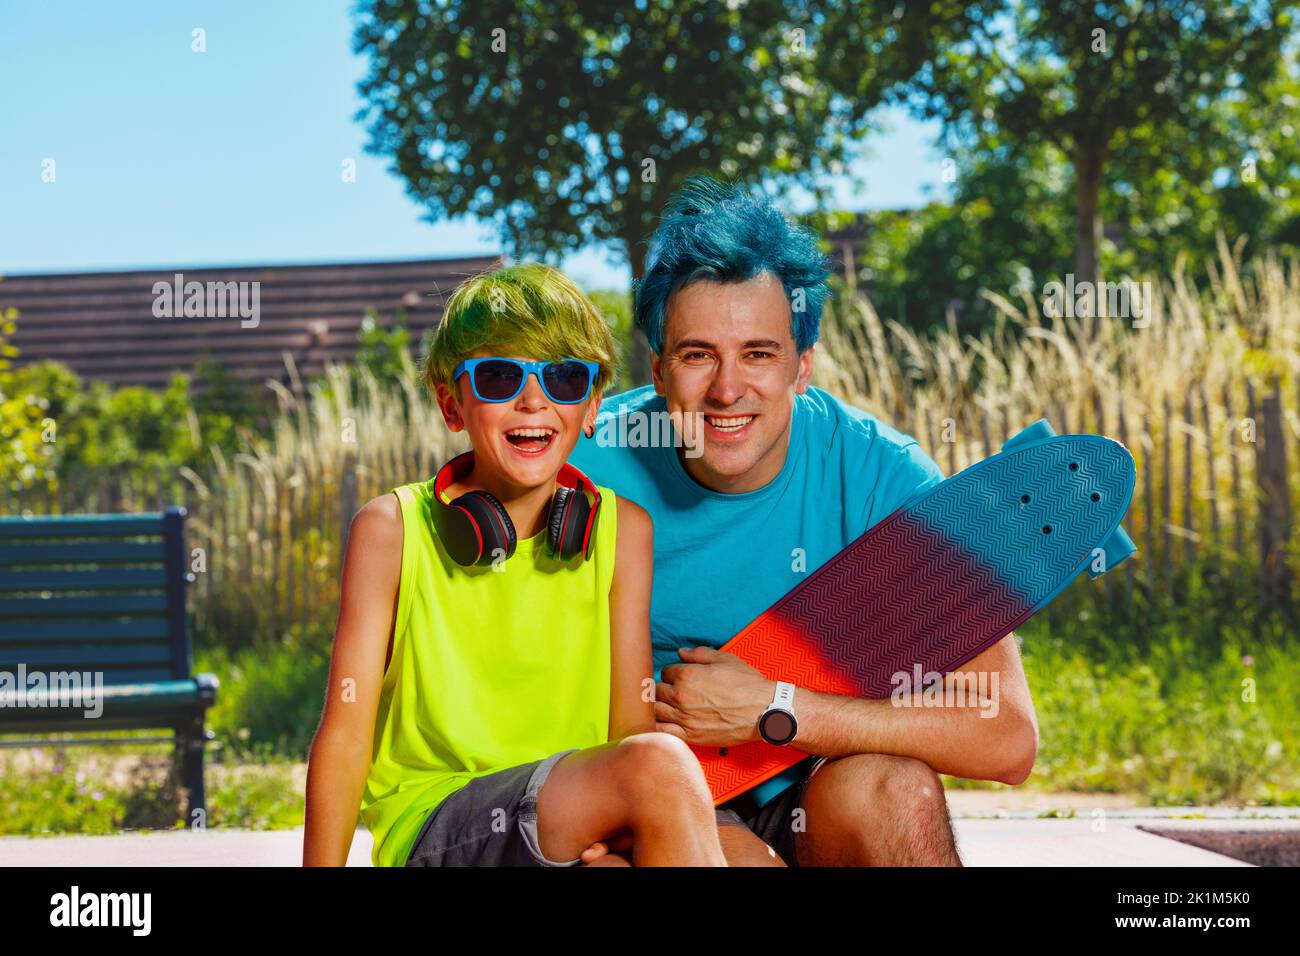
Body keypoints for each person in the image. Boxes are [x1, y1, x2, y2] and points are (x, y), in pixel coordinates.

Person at [568, 178, 1039, 866]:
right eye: (698, 355)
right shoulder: (586, 465)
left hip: (815, 781)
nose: (728, 390)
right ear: (660, 370)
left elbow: (1005, 735)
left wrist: (779, 711)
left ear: (802, 367)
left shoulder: (879, 473)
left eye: (759, 354)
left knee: (895, 792)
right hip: (653, 793)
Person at [303, 262, 726, 867]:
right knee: (662, 766)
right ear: (452, 404)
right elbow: (344, 737)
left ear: (591, 408)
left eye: (564, 379)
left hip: (571, 819)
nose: (534, 401)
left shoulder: (623, 531)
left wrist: (620, 844)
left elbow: (631, 726)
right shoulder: (391, 530)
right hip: (437, 826)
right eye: (500, 378)